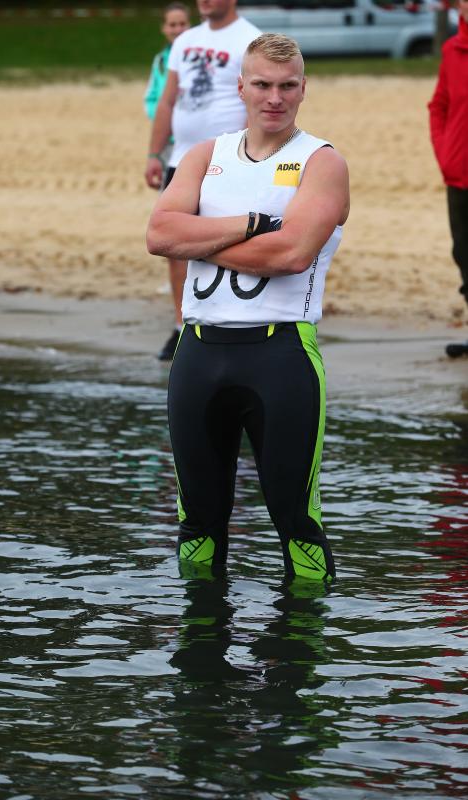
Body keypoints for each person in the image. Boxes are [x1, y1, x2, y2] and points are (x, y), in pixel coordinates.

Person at [146, 33, 350, 581]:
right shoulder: (204, 155)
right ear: (241, 87)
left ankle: (303, 637)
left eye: (287, 86)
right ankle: (200, 636)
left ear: (303, 88)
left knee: (296, 522)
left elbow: (289, 255)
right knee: (196, 525)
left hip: (281, 356)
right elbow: (160, 234)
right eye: (262, 84)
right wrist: (253, 225)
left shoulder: (322, 162)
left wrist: (200, 240)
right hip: (198, 354)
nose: (274, 98)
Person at [145, 0, 260, 360]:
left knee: (224, 240)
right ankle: (182, 325)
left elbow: (255, 105)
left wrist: (248, 158)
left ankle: (228, 322)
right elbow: (167, 101)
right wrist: (154, 153)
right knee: (175, 244)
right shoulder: (186, 40)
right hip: (179, 159)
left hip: (225, 161)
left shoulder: (250, 40)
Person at [428, 0, 468, 357]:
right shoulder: (452, 50)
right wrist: (446, 154)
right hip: (459, 176)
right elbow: (438, 105)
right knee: (464, 252)